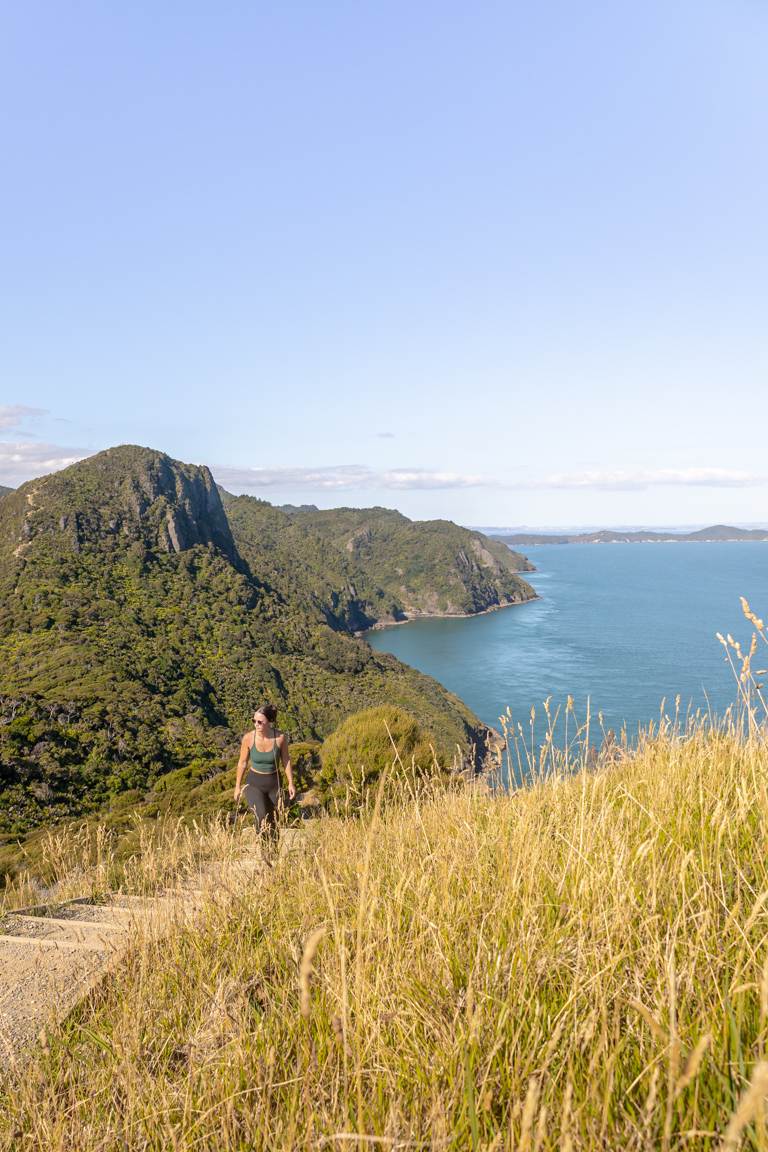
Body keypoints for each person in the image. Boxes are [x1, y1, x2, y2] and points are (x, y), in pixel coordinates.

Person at [234, 703, 296, 835]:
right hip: (254, 783)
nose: (256, 724)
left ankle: (272, 852)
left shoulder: (280, 738)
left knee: (274, 820)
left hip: (274, 783)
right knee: (261, 816)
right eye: (254, 721)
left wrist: (291, 782)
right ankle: (264, 851)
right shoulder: (248, 738)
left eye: (260, 722)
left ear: (269, 722)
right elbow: (242, 763)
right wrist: (237, 786)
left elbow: (286, 760)